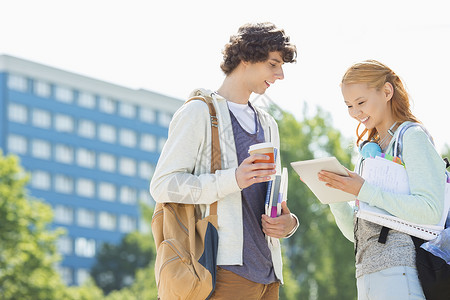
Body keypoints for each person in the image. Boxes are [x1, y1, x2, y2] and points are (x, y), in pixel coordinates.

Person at [150, 22, 299, 299]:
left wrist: (288, 223)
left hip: (269, 276)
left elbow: (276, 202)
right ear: (246, 58)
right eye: (273, 64)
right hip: (223, 271)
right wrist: (233, 179)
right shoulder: (199, 112)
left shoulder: (268, 124)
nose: (280, 75)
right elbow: (163, 185)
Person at [317, 60, 446, 300]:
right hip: (366, 275)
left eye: (361, 102)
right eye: (348, 105)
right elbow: (358, 235)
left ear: (387, 92)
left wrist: (365, 190)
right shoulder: (371, 150)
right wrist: (333, 195)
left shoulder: (412, 137)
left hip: (402, 273)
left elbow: (431, 212)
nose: (355, 112)